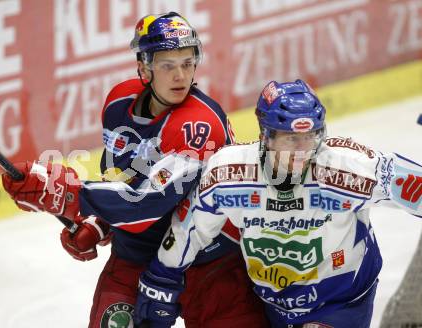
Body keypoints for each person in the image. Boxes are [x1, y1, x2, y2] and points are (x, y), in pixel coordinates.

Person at [1, 12, 269, 328]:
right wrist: (99, 223)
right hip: (136, 257)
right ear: (144, 67)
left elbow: (145, 203)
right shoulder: (119, 102)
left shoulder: (198, 125)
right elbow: (126, 176)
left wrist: (67, 193)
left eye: (187, 62)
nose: (180, 75)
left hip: (210, 267)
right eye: (167, 65)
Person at [134, 79, 422, 327]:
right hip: (274, 305)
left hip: (341, 300)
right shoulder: (229, 173)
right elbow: (192, 228)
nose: (302, 150)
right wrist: (163, 278)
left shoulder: (347, 169)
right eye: (290, 139)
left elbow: (411, 186)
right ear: (265, 136)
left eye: (309, 137)